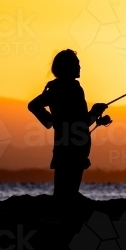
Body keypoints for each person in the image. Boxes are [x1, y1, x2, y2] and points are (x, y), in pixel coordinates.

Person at [28, 50, 111, 202]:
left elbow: (78, 120)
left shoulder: (61, 88)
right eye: (76, 64)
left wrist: (52, 121)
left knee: (64, 192)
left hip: (69, 143)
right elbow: (78, 121)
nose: (80, 68)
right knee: (67, 193)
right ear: (67, 67)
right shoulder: (65, 88)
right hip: (72, 145)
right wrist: (94, 112)